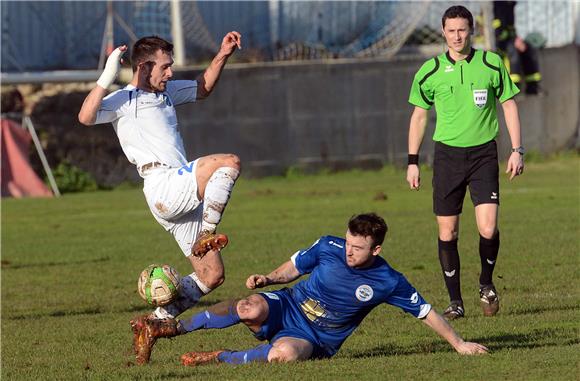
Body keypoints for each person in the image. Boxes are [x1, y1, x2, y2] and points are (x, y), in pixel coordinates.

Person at [78, 32, 242, 364]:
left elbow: (202, 88)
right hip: (163, 184)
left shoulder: (166, 93)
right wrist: (106, 78)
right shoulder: (124, 100)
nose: (170, 74)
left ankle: (152, 325)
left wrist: (223, 54)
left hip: (179, 196)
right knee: (228, 162)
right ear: (143, 67)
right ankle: (209, 232)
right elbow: (85, 116)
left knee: (212, 276)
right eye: (165, 67)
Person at [136, 213, 488, 366]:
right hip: (288, 305)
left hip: (317, 339)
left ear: (376, 250)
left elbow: (424, 312)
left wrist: (459, 345)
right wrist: (268, 279)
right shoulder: (328, 246)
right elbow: (295, 267)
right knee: (249, 307)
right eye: (348, 243)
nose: (349, 251)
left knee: (282, 357)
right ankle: (172, 327)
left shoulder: (388, 281)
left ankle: (219, 357)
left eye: (358, 248)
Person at [406, 5, 524, 320]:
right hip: (446, 157)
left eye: (462, 29)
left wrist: (517, 149)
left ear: (472, 30)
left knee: (488, 227)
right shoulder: (429, 71)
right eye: (451, 30)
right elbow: (419, 116)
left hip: (484, 154)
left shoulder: (491, 62)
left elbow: (509, 104)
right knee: (449, 232)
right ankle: (455, 302)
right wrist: (412, 161)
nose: (457, 36)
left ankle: (486, 283)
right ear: (443, 32)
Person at [493, 1, 542, 95]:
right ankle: (513, 87)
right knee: (513, 51)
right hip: (499, 43)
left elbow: (510, 28)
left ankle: (532, 87)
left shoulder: (509, 5)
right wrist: (513, 40)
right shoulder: (498, 5)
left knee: (529, 49)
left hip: (510, 39)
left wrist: (517, 39)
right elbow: (498, 32)